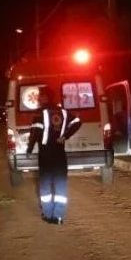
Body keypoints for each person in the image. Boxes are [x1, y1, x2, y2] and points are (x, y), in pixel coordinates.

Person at [26, 87, 82, 223]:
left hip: (45, 154)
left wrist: (29, 148)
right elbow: (78, 122)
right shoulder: (63, 112)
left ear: (45, 97)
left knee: (45, 185)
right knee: (60, 184)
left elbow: (35, 133)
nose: (39, 98)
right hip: (59, 154)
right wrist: (65, 136)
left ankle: (47, 214)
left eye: (40, 96)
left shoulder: (40, 113)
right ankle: (58, 216)